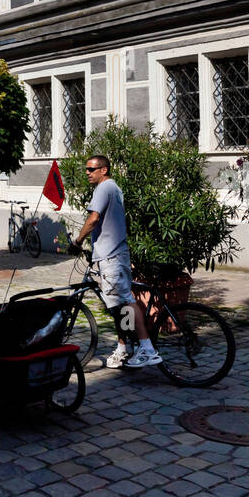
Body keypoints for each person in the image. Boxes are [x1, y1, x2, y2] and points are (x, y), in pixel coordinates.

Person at [70, 155, 161, 369]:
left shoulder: (103, 188)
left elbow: (93, 219)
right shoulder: (114, 188)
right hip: (112, 254)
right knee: (118, 304)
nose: (88, 173)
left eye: (92, 169)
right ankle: (123, 348)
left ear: (104, 170)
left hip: (112, 256)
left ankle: (147, 348)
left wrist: (77, 241)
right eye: (87, 169)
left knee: (125, 301)